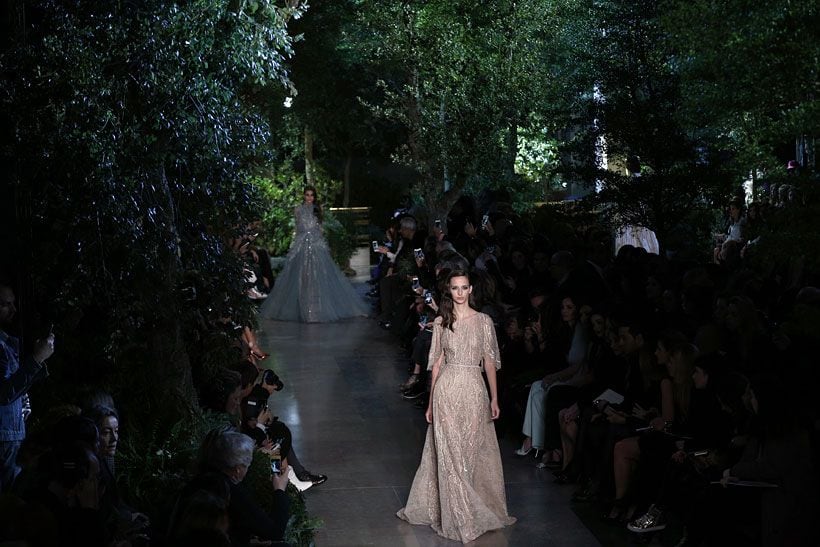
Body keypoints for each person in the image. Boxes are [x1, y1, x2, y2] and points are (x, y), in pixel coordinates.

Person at [397, 270, 515, 544]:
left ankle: (468, 507)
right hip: (446, 391)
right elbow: (437, 363)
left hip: (474, 390)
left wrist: (494, 398)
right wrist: (429, 402)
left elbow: (489, 362)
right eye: (455, 288)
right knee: (449, 452)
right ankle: (460, 516)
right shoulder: (442, 321)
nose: (460, 292)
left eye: (464, 287)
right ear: (449, 291)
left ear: (471, 289)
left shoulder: (483, 321)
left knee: (469, 451)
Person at [261, 186, 367, 322]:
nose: (309, 198)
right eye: (307, 195)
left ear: (314, 197)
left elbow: (320, 228)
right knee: (302, 278)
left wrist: (321, 241)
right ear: (304, 195)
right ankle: (306, 311)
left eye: (312, 195)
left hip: (316, 245)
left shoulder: (318, 209)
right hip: (302, 245)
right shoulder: (298, 209)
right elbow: (298, 228)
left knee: (318, 277)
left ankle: (315, 311)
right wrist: (296, 245)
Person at [1, 281, 55, 493]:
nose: (14, 309)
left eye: (13, 303)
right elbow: (4, 393)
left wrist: (20, 404)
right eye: (6, 304)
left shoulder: (7, 343)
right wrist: (37, 358)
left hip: (10, 437)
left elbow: (11, 390)